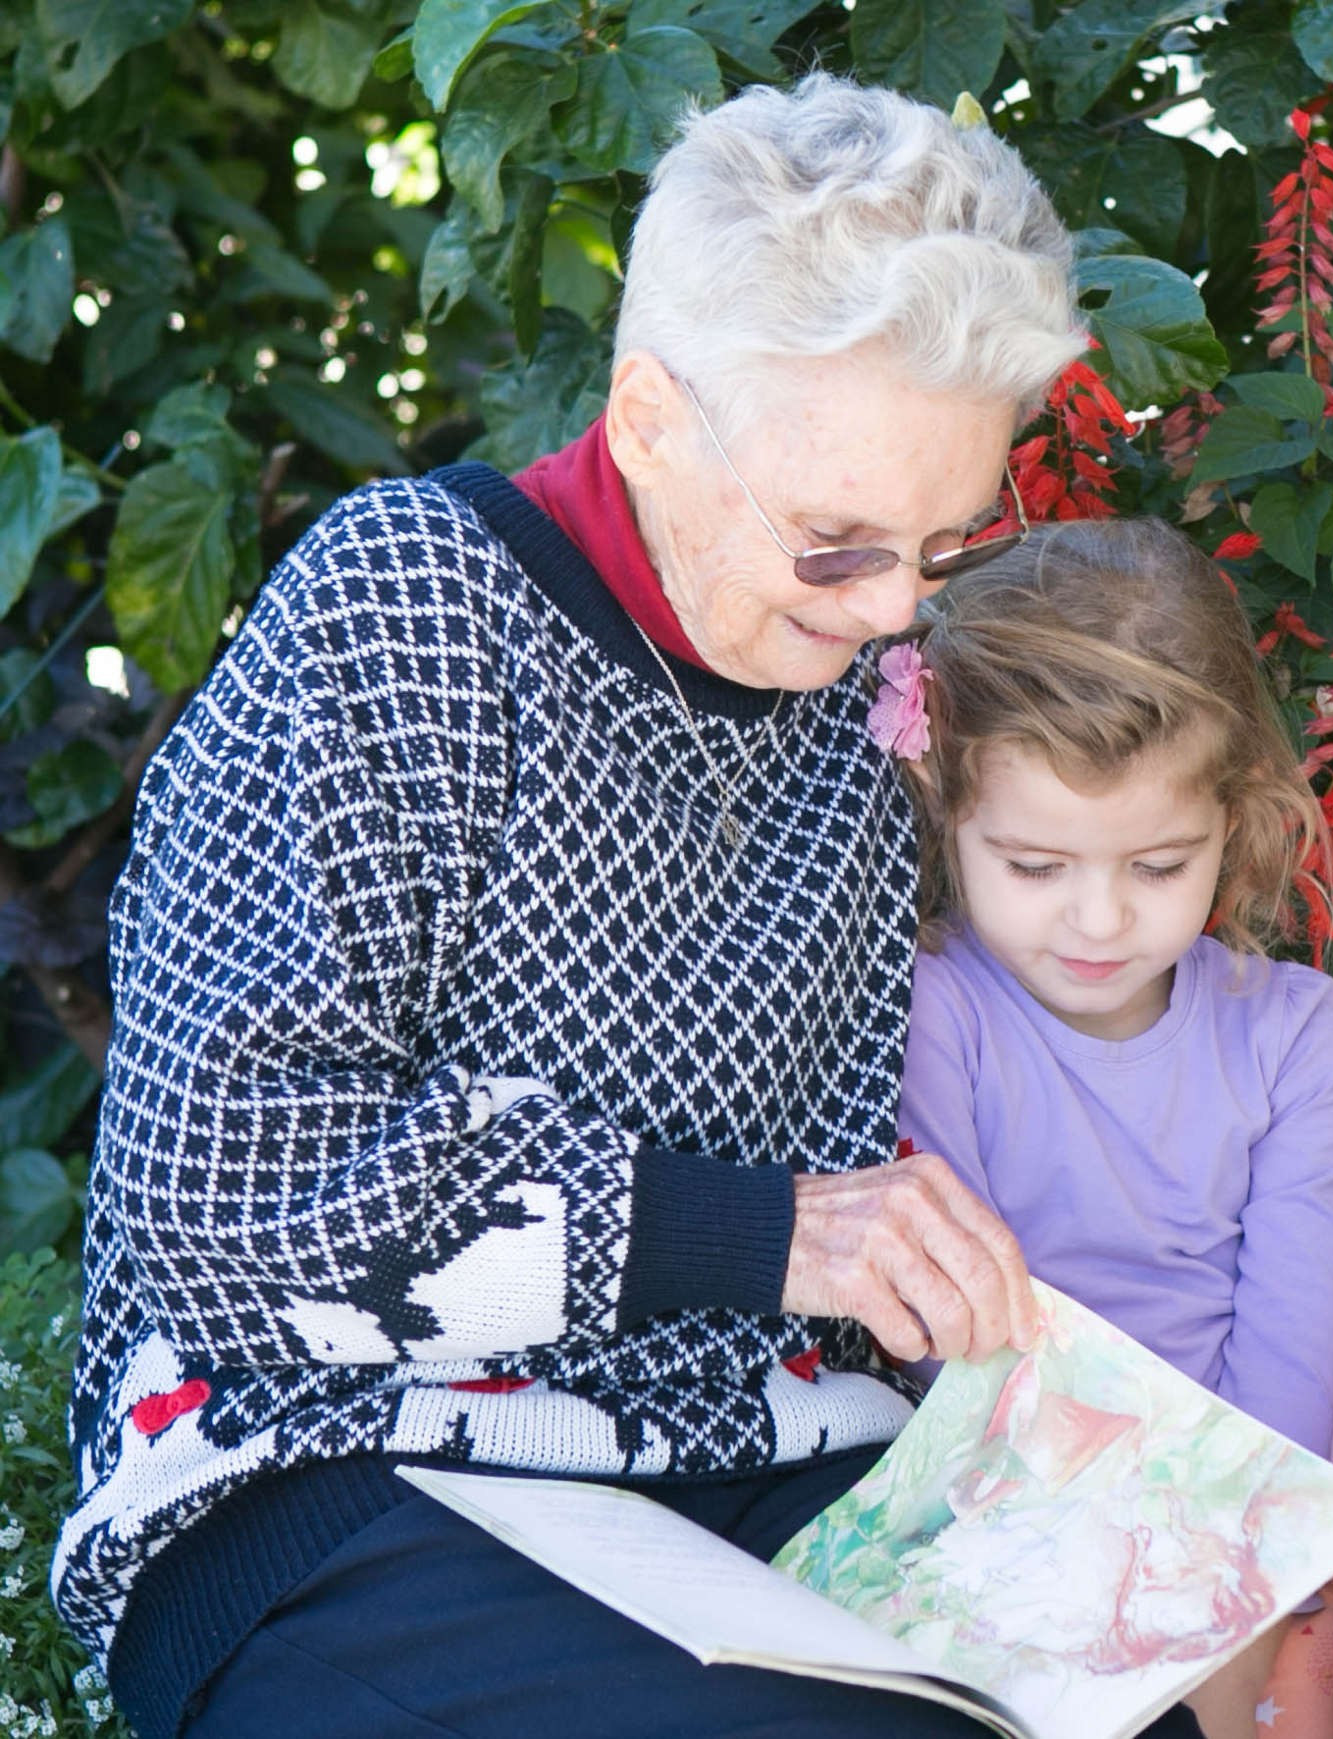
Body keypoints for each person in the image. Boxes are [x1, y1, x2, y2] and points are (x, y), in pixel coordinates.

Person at [54, 76, 1206, 1739]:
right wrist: (773, 1231)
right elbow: (216, 1196)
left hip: (748, 1451)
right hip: (333, 1470)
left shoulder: (863, 676)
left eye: (950, 544)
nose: (894, 613)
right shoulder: (407, 605)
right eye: (836, 544)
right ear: (651, 414)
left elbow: (1072, 1011)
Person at [890, 519, 1333, 1739]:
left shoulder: (1288, 1031)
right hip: (1047, 1554)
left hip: (1276, 1543)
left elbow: (1297, 1317)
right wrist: (1153, 1567)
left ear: (1234, 819)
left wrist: (1253, 1556)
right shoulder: (938, 1006)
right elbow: (960, 1350)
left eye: (1158, 864)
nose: (1095, 918)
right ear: (944, 813)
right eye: (1033, 863)